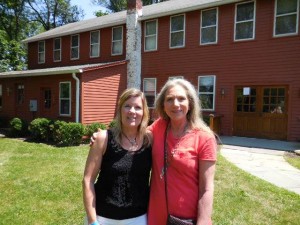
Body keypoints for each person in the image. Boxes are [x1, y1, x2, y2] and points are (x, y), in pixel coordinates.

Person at [147, 79, 217, 225]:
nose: (175, 104)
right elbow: (132, 137)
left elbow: (206, 188)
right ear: (163, 105)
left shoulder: (204, 138)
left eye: (181, 99)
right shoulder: (158, 127)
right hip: (156, 216)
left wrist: (203, 221)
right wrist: (106, 137)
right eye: (170, 99)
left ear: (190, 103)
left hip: (187, 220)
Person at [82, 88, 152, 225]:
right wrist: (92, 220)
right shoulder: (104, 138)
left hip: (138, 218)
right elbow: (87, 180)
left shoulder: (149, 140)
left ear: (144, 113)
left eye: (138, 107)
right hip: (103, 218)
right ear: (120, 110)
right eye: (127, 106)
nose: (132, 111)